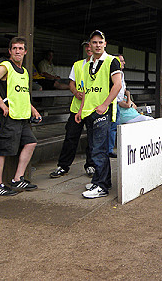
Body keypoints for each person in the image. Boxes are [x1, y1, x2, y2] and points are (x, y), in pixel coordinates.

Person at [0, 37, 41, 196]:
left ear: (25, 52)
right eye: (14, 48)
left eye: (21, 48)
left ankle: (17, 178)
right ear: (10, 51)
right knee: (1, 151)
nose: (17, 51)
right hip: (7, 117)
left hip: (21, 117)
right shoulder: (6, 67)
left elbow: (21, 94)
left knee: (31, 143)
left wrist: (33, 109)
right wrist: (1, 103)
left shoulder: (25, 72)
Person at [76, 30, 122, 199]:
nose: (97, 45)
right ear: (90, 45)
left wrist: (105, 105)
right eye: (94, 42)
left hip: (103, 110)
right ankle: (102, 180)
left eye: (100, 42)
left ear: (105, 43)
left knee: (98, 149)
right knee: (95, 148)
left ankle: (101, 186)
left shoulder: (112, 61)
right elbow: (86, 90)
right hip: (89, 111)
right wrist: (81, 110)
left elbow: (117, 85)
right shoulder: (88, 64)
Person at [50, 42, 95, 179]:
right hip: (77, 108)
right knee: (70, 137)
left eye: (91, 46)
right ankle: (63, 166)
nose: (88, 49)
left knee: (92, 139)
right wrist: (75, 92)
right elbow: (71, 83)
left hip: (93, 108)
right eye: (86, 47)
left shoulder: (103, 64)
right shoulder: (77, 64)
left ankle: (91, 165)